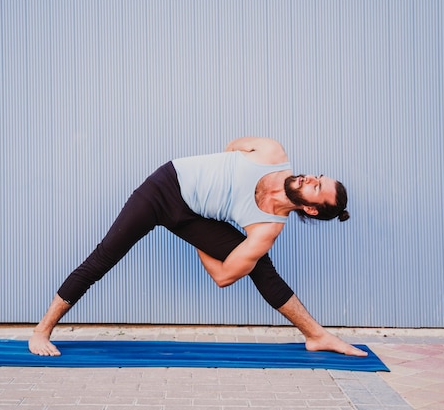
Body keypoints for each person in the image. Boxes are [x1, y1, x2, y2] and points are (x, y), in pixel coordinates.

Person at [29, 137, 367, 357]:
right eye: (317, 176)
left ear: (310, 208)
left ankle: (317, 335)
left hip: (192, 216)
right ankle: (41, 332)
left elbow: (223, 277)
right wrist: (214, 185)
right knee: (104, 257)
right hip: (164, 187)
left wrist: (196, 233)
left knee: (261, 266)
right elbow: (234, 145)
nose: (311, 178)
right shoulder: (272, 153)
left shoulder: (266, 230)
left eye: (317, 187)